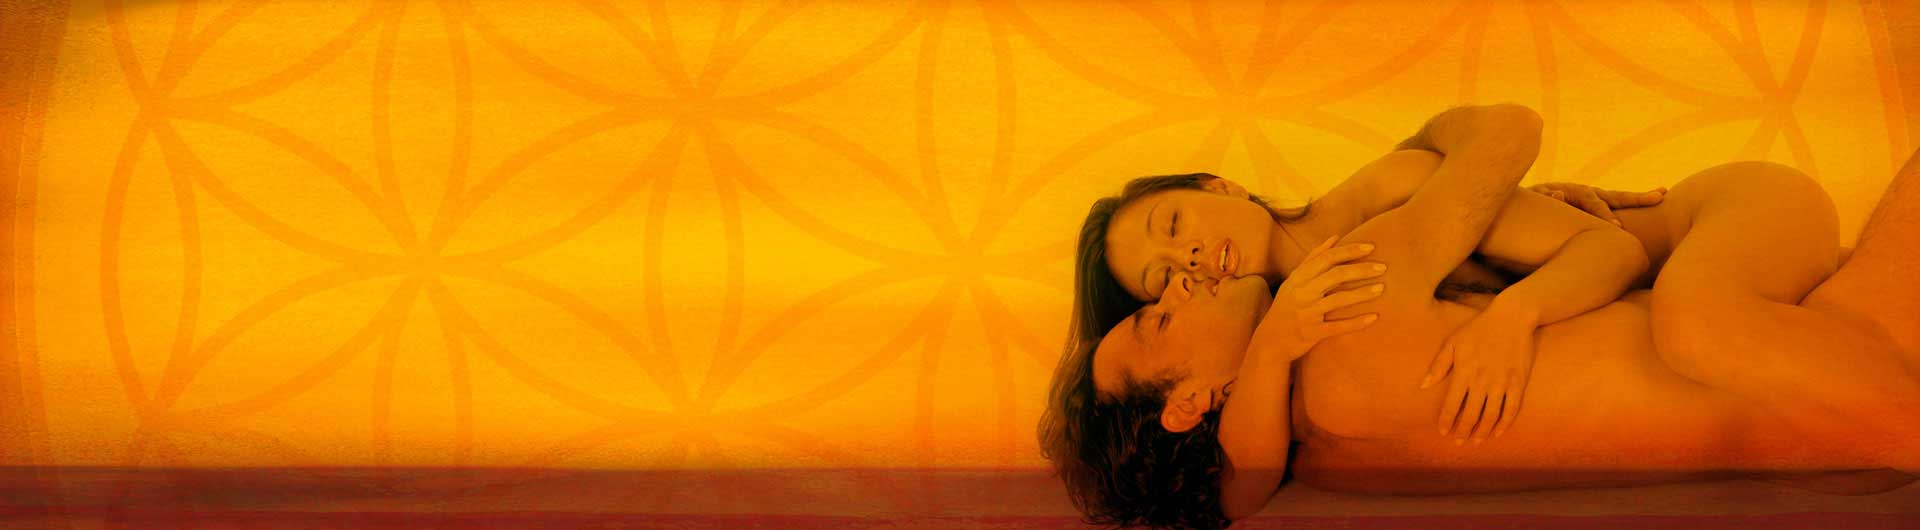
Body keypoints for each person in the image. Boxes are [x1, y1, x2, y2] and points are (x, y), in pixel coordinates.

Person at [1046, 128, 1920, 528]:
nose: (1185, 277)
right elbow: (1235, 495)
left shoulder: (1352, 278)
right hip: (1799, 356)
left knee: (1699, 329)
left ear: (1218, 188)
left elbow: (1506, 136)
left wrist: (1519, 296)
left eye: (1174, 233)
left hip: (1721, 232)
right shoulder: (1323, 434)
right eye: (1155, 304)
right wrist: (1271, 349)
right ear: (1190, 403)